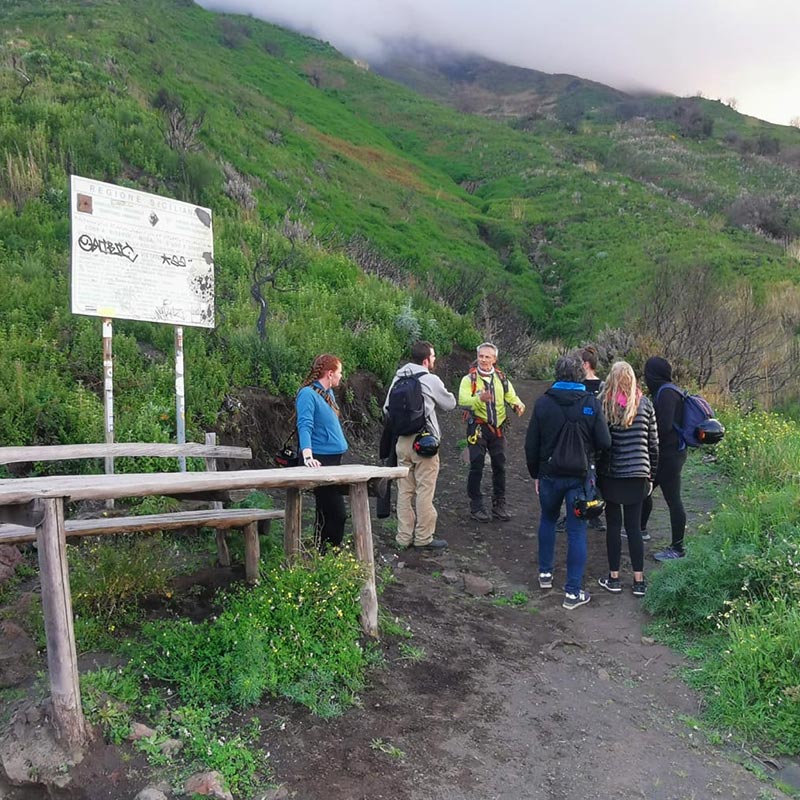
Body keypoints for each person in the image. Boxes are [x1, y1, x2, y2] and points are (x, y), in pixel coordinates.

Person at [525, 354, 611, 610]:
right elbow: (605, 442)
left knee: (548, 520)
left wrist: (536, 474)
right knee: (576, 532)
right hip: (579, 478)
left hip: (549, 476)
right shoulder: (590, 404)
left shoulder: (543, 403)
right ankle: (573, 593)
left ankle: (545, 574)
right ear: (580, 374)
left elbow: (531, 444)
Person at [383, 341, 456, 550]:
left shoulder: (398, 376)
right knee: (425, 490)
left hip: (401, 442)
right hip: (425, 443)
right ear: (426, 360)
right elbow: (450, 403)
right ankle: (424, 537)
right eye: (433, 357)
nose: (434, 360)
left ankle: (403, 537)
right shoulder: (429, 379)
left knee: (405, 491)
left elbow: (386, 408)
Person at [596, 361, 659, 597]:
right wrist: (651, 472)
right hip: (639, 473)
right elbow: (653, 444)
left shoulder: (604, 404)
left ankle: (613, 578)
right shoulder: (645, 404)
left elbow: (601, 444)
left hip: (612, 474)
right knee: (634, 528)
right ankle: (639, 580)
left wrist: (597, 472)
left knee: (613, 526)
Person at [458, 342, 526, 522]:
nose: (484, 360)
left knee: (500, 466)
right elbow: (462, 401)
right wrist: (479, 399)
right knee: (477, 465)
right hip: (477, 428)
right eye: (481, 356)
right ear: (477, 357)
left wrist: (518, 406)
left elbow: (512, 397)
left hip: (498, 429)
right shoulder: (468, 380)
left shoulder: (502, 379)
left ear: (494, 359)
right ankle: (476, 506)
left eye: (488, 357)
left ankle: (499, 505)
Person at [296, 353, 349, 552]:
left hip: (333, 458)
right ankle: (330, 552)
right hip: (321, 459)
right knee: (337, 512)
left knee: (324, 509)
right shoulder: (308, 394)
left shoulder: (327, 394)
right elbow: (305, 425)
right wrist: (308, 456)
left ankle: (321, 551)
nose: (341, 376)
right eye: (339, 373)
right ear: (329, 374)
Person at [641, 356, 688, 560]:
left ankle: (677, 548)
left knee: (670, 499)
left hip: (668, 456)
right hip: (672, 454)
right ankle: (641, 529)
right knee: (646, 491)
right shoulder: (668, 390)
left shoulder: (666, 393)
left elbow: (664, 426)